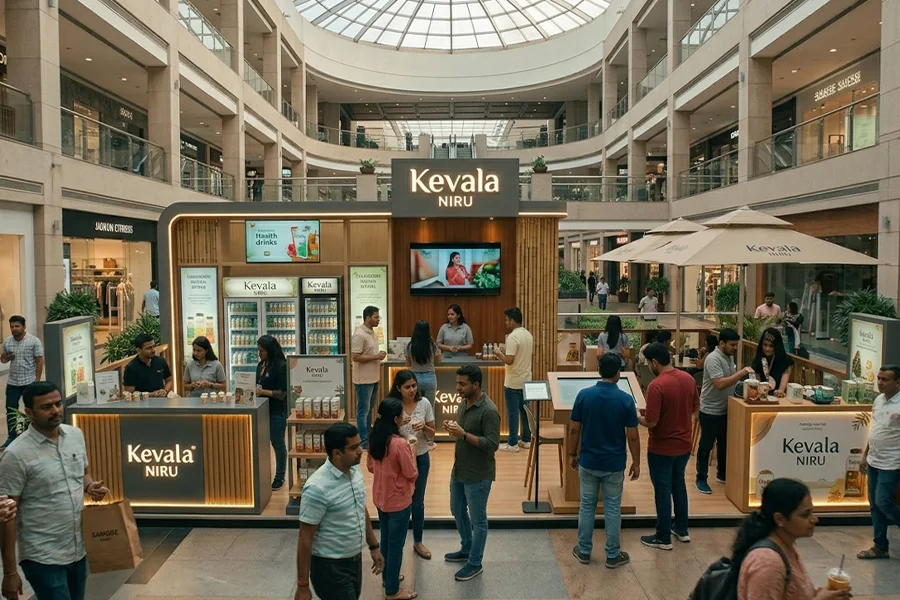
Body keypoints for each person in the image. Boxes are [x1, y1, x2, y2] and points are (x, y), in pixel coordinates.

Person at [0, 382, 109, 600]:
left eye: (58, 404)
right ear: (29, 412)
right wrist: (10, 572)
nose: (56, 410)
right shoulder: (16, 455)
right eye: (46, 407)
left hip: (78, 549)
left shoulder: (75, 435)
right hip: (42, 556)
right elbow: (7, 516)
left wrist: (90, 487)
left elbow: (83, 473)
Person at [294, 423, 385, 600]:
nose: (361, 451)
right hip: (330, 568)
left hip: (354, 560)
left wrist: (374, 546)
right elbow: (305, 537)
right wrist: (303, 586)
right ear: (337, 453)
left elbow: (360, 508)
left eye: (360, 445)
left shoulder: (355, 471)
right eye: (354, 447)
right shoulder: (317, 488)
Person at [568, 354, 640, 567]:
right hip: (614, 463)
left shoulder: (584, 395)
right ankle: (612, 555)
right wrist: (636, 462)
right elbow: (633, 436)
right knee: (612, 508)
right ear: (618, 373)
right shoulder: (626, 400)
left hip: (589, 460)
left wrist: (572, 454)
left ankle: (583, 551)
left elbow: (574, 429)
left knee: (586, 506)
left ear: (599, 370)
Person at [734, 478, 851, 600]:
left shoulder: (787, 545)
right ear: (780, 519)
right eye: (805, 515)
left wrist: (823, 594)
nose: (814, 519)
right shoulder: (767, 563)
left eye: (812, 512)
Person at [638, 343, 699, 550]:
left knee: (662, 490)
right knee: (679, 486)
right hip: (684, 444)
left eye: (649, 363)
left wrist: (636, 417)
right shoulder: (688, 379)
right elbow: (694, 408)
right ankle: (682, 529)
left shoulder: (656, 386)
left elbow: (651, 422)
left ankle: (663, 536)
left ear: (655, 362)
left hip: (662, 447)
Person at [443, 365, 500, 582]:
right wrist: (454, 429)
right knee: (457, 509)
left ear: (476, 385)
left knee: (479, 520)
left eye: (462, 384)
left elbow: (492, 445)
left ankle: (475, 562)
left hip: (478, 474)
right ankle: (467, 548)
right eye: (457, 383)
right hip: (459, 469)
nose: (457, 387)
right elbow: (463, 431)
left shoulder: (489, 411)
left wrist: (464, 435)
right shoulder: (463, 402)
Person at [366, 397, 418, 600]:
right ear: (396, 419)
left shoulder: (374, 438)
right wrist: (412, 450)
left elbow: (371, 467)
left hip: (381, 498)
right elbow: (411, 473)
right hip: (398, 501)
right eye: (402, 414)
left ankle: (388, 577)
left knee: (386, 540)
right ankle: (393, 591)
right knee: (396, 545)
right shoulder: (399, 444)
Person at [696, 328, 755, 495]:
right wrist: (741, 373)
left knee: (724, 445)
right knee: (706, 446)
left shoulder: (729, 356)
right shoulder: (713, 358)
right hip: (710, 410)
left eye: (736, 345)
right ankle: (701, 479)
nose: (735, 348)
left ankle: (722, 474)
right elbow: (720, 383)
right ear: (721, 343)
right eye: (732, 345)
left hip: (726, 408)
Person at [391, 370, 436, 560]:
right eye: (407, 387)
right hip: (398, 460)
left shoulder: (424, 403)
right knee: (399, 502)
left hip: (421, 457)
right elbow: (383, 432)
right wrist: (397, 425)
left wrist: (424, 427)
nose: (412, 390)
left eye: (414, 386)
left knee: (418, 502)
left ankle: (418, 541)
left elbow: (432, 433)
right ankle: (397, 543)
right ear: (398, 388)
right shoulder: (393, 406)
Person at [857, 365, 900, 560]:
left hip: (892, 463)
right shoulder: (878, 400)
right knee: (874, 504)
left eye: (885, 379)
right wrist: (865, 455)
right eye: (879, 378)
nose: (880, 383)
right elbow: (876, 430)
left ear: (897, 383)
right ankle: (880, 546)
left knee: (884, 502)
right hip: (874, 460)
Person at [495, 307, 534, 453]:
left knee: (513, 414)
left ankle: (512, 443)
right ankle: (526, 440)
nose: (505, 323)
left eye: (506, 320)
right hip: (526, 379)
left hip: (513, 381)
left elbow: (509, 360)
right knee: (525, 412)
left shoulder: (512, 337)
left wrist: (498, 353)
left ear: (512, 321)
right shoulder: (528, 335)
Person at [1, 316, 43, 447]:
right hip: (13, 382)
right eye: (12, 326)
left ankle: (34, 435)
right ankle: (12, 437)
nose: (14, 329)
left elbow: (39, 361)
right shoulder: (8, 341)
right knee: (11, 410)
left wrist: (37, 380)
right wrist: (6, 357)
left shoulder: (34, 341)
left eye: (17, 326)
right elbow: (3, 360)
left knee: (31, 410)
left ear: (24, 327)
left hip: (29, 382)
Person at [255, 335, 288, 490]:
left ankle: (280, 477)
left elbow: (282, 393)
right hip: (261, 410)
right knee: (261, 444)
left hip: (276, 411)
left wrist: (263, 392)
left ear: (270, 350)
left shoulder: (281, 366)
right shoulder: (260, 365)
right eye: (258, 350)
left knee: (278, 443)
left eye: (262, 350)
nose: (259, 353)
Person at [351, 306, 386, 450]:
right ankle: (363, 441)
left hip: (373, 378)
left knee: (369, 409)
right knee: (363, 411)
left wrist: (378, 356)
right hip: (363, 380)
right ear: (368, 318)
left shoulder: (372, 332)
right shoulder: (359, 335)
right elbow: (355, 357)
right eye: (376, 317)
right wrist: (376, 356)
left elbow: (368, 353)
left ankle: (368, 436)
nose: (378, 320)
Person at [405, 321, 442, 406]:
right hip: (430, 378)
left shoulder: (410, 346)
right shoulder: (432, 345)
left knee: (416, 407)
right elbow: (438, 360)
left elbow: (408, 364)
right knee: (430, 407)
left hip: (415, 378)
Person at [751, 328, 793, 397]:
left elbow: (782, 388)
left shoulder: (785, 361)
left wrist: (780, 391)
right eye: (765, 345)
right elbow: (756, 382)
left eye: (771, 346)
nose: (767, 349)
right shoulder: (758, 359)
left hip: (777, 398)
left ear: (777, 346)